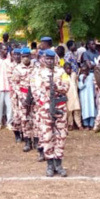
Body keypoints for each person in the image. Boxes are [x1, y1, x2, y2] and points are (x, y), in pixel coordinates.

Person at [32, 49, 69, 177]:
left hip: (60, 107)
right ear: (43, 59)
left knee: (61, 136)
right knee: (47, 137)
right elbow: (35, 92)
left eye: (51, 59)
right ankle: (49, 164)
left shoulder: (61, 71)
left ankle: (58, 164)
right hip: (45, 109)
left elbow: (66, 87)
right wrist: (45, 104)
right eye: (47, 58)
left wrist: (56, 86)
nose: (49, 61)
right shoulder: (38, 73)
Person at [0, 44, 13, 130]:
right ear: (0, 50)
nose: (5, 51)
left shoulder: (10, 60)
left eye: (6, 49)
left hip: (8, 86)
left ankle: (9, 123)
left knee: (10, 106)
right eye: (3, 49)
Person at [78, 61, 97, 129]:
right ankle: (86, 124)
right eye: (83, 71)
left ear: (88, 70)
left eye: (85, 71)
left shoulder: (92, 76)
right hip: (84, 97)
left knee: (92, 109)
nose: (84, 73)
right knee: (85, 110)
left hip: (91, 95)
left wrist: (95, 95)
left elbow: (95, 86)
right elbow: (80, 86)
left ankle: (91, 124)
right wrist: (83, 80)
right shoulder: (80, 77)